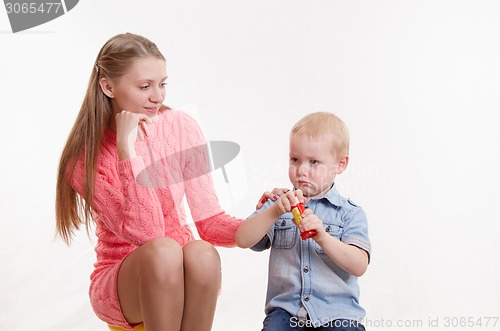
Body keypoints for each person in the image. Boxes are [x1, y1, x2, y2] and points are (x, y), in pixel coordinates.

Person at [55, 32, 274, 331]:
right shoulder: (83, 158)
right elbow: (147, 234)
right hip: (124, 280)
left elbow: (210, 223)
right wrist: (126, 149)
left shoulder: (181, 126)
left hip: (179, 271)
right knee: (164, 250)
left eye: (162, 84)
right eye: (145, 86)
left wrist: (266, 216)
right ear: (108, 86)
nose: (158, 96)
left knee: (202, 253)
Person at [236, 112, 371, 331]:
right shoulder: (279, 203)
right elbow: (242, 238)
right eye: (295, 160)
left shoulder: (349, 213)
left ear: (340, 164)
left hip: (337, 314)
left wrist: (323, 237)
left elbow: (359, 265)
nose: (301, 170)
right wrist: (273, 212)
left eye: (314, 162)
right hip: (286, 312)